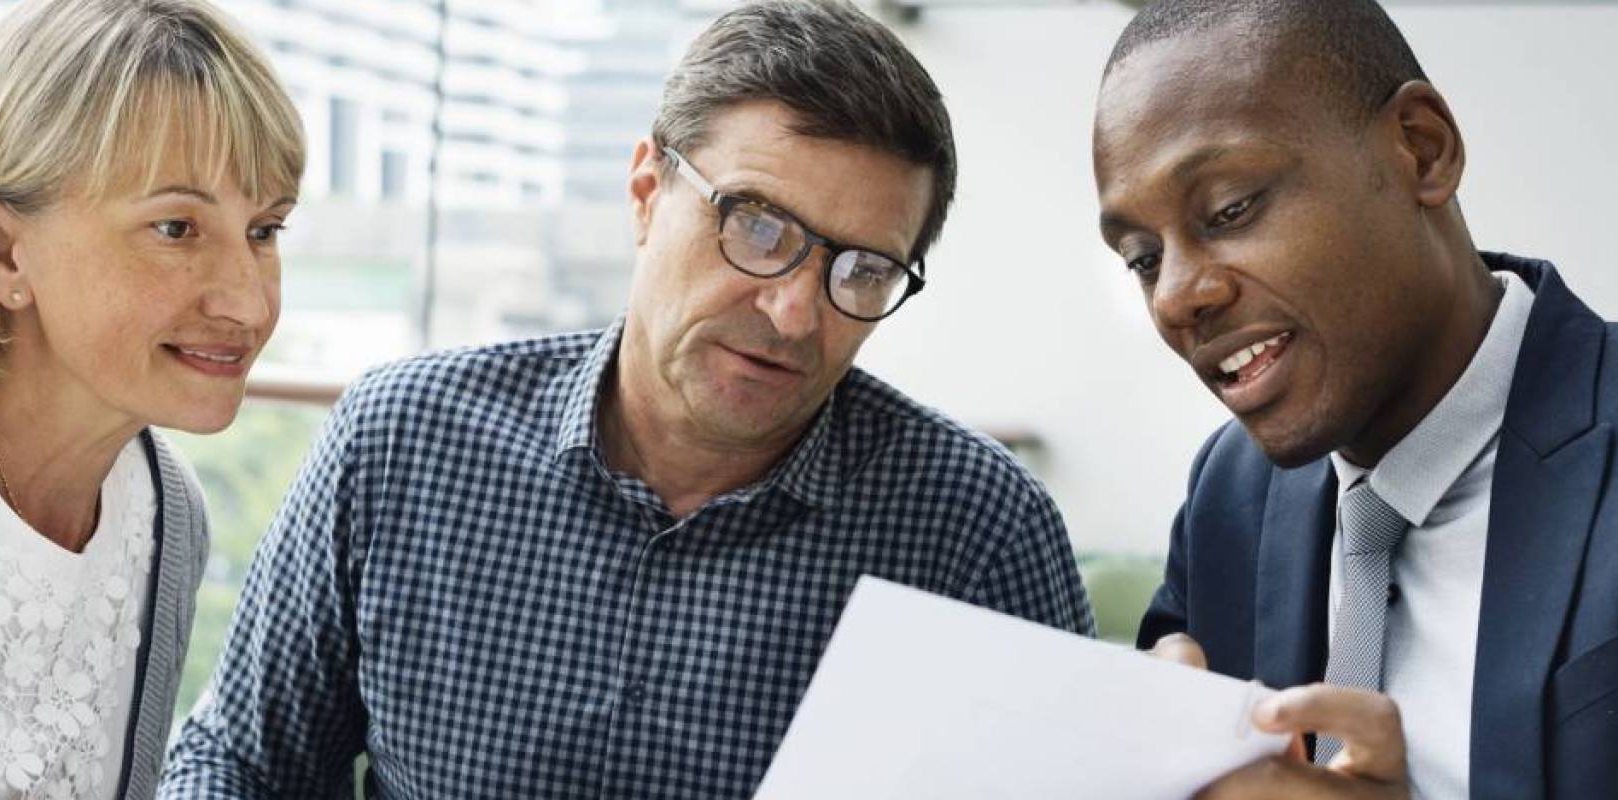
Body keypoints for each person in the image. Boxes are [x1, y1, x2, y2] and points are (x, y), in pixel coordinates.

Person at [159, 1, 1092, 797]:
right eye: (757, 225)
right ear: (647, 191)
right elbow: (240, 762)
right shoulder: (400, 439)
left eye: (863, 268)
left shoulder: (978, 531)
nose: (794, 309)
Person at [1092, 0, 1618, 797]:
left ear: (1422, 150)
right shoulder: (1229, 495)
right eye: (1142, 258)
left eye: (1231, 209)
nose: (1175, 297)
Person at [0, 0, 304, 796]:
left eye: (264, 230)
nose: (248, 304)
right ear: (1, 248)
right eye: (176, 229)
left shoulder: (169, 514)